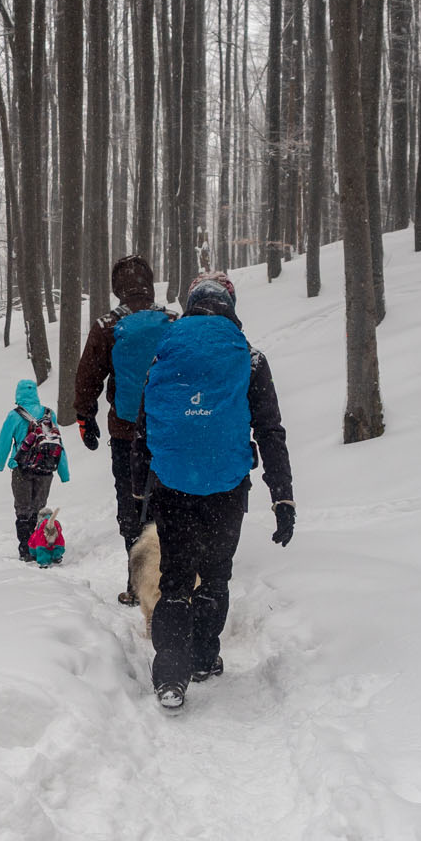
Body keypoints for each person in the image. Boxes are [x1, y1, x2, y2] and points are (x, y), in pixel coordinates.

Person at [139, 271, 295, 711]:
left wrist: (139, 493)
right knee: (215, 574)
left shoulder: (165, 353)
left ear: (190, 304)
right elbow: (269, 430)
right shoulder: (250, 357)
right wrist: (282, 496)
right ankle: (204, 658)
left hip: (172, 485)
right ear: (231, 305)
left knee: (174, 578)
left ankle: (171, 674)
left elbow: (144, 424)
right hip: (228, 487)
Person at [74, 255, 175, 604]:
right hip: (167, 432)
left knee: (131, 507)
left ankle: (136, 586)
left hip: (126, 433)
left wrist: (85, 419)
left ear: (117, 288)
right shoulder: (172, 321)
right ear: (150, 282)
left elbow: (88, 378)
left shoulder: (108, 326)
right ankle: (171, 582)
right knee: (167, 504)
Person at [0, 378, 71, 560]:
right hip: (46, 470)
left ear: (18, 394)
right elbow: (58, 443)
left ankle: (26, 549)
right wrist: (63, 472)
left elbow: (3, 442)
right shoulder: (48, 414)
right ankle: (40, 546)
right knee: (39, 510)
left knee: (23, 510)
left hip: (22, 469)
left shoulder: (14, 415)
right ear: (35, 393)